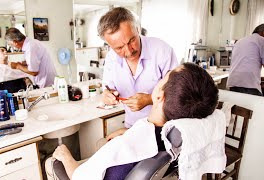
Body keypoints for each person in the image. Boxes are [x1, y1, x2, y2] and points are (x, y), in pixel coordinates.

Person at [49, 63, 219, 179]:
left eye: (165, 77)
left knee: (52, 162)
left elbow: (80, 177)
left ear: (159, 96)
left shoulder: (123, 147)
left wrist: (65, 156)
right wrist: (129, 134)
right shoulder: (174, 137)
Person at [100, 7, 178, 139]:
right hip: (132, 128)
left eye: (131, 41)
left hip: (165, 129)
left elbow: (178, 93)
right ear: (109, 45)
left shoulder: (162, 51)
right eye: (119, 48)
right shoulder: (111, 59)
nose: (129, 51)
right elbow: (108, 88)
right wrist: (108, 95)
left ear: (137, 28)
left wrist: (149, 99)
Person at [227, 23, 264, 96]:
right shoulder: (262, 40)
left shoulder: (240, 41)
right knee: (258, 106)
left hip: (233, 82)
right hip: (249, 84)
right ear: (263, 32)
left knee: (238, 105)